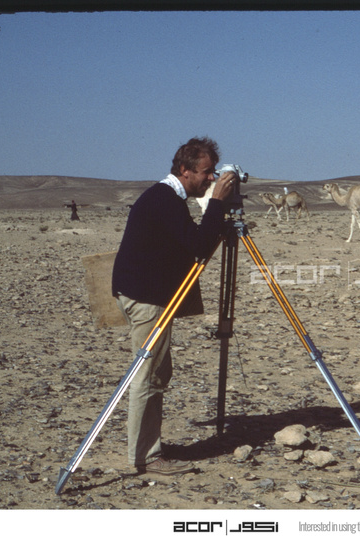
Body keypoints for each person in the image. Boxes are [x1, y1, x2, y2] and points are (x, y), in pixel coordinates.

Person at [111, 136, 236, 475]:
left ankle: (147, 447)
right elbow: (199, 245)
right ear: (185, 170)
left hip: (147, 295)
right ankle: (146, 457)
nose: (211, 178)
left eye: (213, 172)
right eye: (206, 172)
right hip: (148, 300)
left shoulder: (166, 198)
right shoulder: (164, 199)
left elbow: (186, 242)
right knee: (148, 374)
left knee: (156, 372)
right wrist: (217, 203)